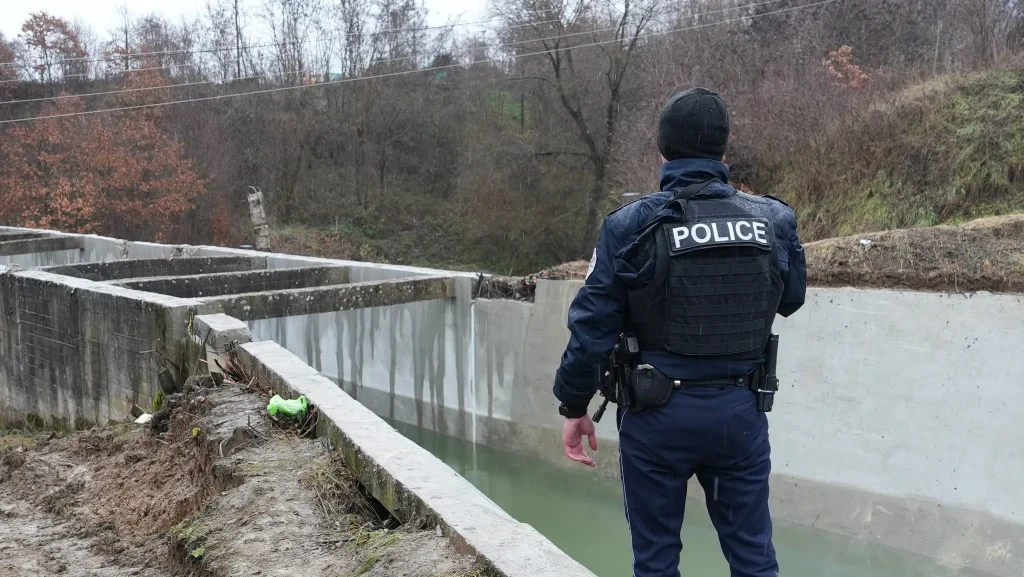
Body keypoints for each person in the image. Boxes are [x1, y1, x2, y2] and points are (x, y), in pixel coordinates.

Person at [553, 87, 807, 577]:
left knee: (656, 562)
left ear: (663, 151)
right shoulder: (774, 220)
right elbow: (791, 299)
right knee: (755, 560)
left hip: (656, 418)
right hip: (741, 414)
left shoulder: (628, 227)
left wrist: (573, 405)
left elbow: (591, 330)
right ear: (724, 152)